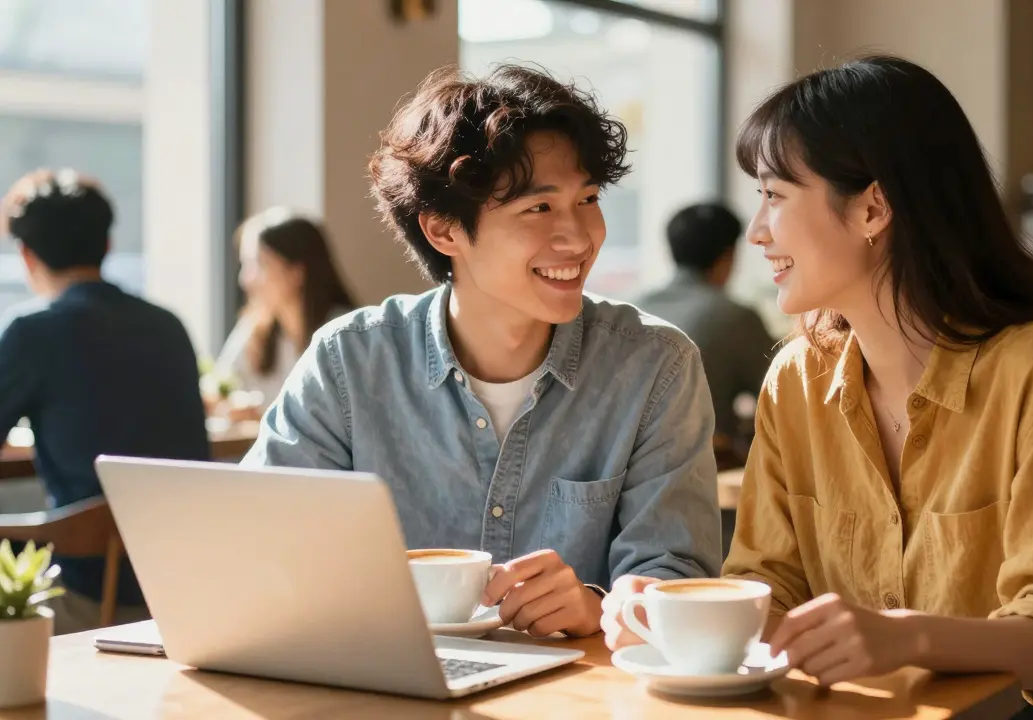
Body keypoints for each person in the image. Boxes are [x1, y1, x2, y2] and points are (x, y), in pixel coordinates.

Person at [604, 57, 1033, 719]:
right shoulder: (796, 380)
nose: (755, 232)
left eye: (775, 196)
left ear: (872, 207)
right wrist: (677, 618)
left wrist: (907, 636)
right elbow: (767, 584)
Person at [241, 64, 721, 639]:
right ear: (444, 231)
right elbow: (263, 543)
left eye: (587, 198)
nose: (580, 236)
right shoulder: (349, 363)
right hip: (389, 680)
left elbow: (674, 576)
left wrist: (600, 606)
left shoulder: (654, 366)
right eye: (539, 208)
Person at [0, 169, 209, 634]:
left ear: (27, 256)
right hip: (180, 586)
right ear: (108, 245)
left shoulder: (31, 332)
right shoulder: (168, 325)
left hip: (87, 593)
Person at [635, 203, 776, 438]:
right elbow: (781, 394)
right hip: (703, 465)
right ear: (728, 255)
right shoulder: (734, 316)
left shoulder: (634, 308)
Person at [212, 208, 355, 407]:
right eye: (244, 265)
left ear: (297, 272)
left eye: (259, 264)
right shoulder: (255, 328)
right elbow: (220, 388)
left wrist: (260, 413)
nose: (245, 280)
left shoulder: (344, 336)